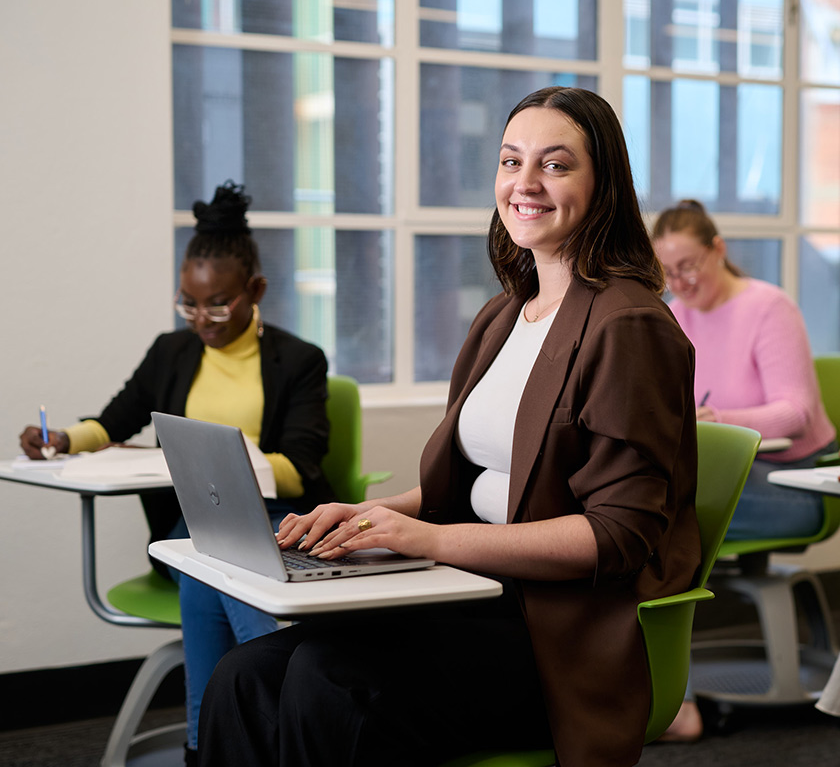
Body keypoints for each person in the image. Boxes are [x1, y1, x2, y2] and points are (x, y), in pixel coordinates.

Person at [195, 87, 701, 767]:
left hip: (555, 631)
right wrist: (370, 516)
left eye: (555, 165)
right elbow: (474, 484)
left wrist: (426, 536)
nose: (524, 183)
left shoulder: (628, 325)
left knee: (328, 682)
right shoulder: (505, 315)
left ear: (603, 184)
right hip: (472, 597)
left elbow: (618, 534)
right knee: (245, 677)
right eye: (510, 160)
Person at [19, 180, 333, 766]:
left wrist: (236, 464)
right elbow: (113, 422)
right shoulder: (172, 352)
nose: (202, 319)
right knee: (201, 550)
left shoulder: (298, 360)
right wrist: (63, 439)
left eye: (218, 303)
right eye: (188, 303)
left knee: (203, 558)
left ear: (255, 290)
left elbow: (299, 469)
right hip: (196, 533)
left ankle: (210, 743)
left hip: (280, 524)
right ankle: (257, 726)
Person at [651, 199, 837, 742]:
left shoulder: (767, 307)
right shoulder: (676, 314)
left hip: (793, 483)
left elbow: (796, 413)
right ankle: (653, 692)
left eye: (689, 266)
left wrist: (717, 419)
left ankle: (672, 703)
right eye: (667, 271)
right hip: (726, 476)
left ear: (718, 250)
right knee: (638, 508)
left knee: (659, 518)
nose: (680, 282)